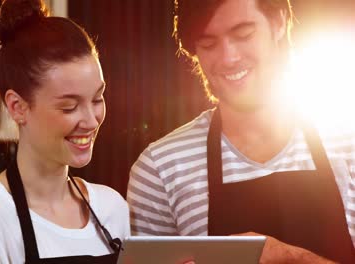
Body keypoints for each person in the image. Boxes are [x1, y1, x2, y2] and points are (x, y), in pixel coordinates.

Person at [127, 0, 355, 263]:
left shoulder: (348, 144)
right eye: (209, 43)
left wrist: (291, 258)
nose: (228, 58)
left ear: (279, 22)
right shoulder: (160, 169)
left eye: (243, 34)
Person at [0, 0, 129, 263]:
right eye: (69, 107)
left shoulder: (113, 209)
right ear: (17, 107)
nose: (91, 120)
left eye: (97, 99)